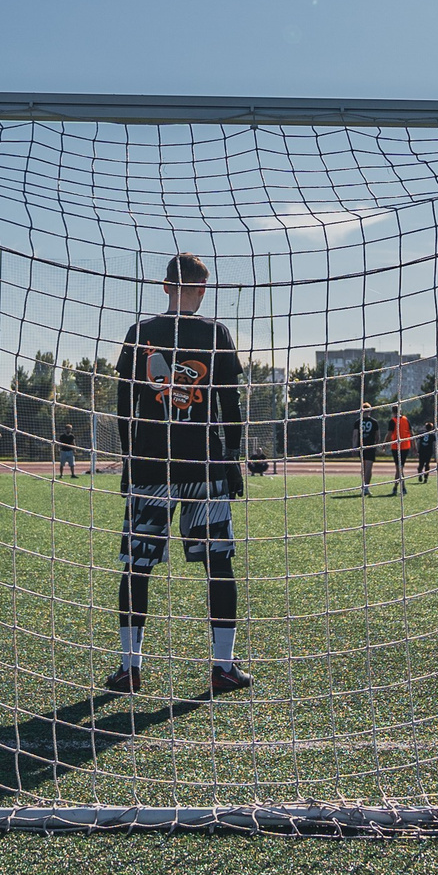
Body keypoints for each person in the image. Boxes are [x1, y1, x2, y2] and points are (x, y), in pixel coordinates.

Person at [107, 252, 250, 697]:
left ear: (165, 286)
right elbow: (231, 407)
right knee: (218, 563)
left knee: (138, 565)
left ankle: (131, 668)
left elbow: (123, 407)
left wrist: (130, 459)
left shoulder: (141, 332)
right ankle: (222, 666)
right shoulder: (215, 333)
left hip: (152, 465)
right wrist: (232, 459)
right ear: (202, 290)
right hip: (204, 465)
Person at [357, 404, 383, 496]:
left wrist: (354, 447)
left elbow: (355, 435)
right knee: (368, 467)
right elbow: (377, 436)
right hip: (370, 446)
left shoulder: (358, 421)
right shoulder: (374, 422)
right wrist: (376, 445)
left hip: (361, 446)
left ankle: (364, 486)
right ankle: (366, 487)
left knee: (364, 467)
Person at [388, 409, 413, 495]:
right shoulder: (406, 419)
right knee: (400, 468)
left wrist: (384, 443)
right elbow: (411, 433)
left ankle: (398, 488)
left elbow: (389, 434)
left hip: (396, 447)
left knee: (399, 468)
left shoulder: (393, 421)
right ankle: (401, 487)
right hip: (405, 446)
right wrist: (414, 445)